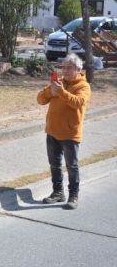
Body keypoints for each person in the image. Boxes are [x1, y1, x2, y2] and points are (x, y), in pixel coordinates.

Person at [37, 53, 91, 210]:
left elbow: (78, 102)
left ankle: (73, 195)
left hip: (70, 133)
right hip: (52, 131)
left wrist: (60, 92)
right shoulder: (58, 83)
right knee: (54, 164)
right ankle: (57, 192)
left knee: (71, 166)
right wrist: (50, 92)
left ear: (78, 69)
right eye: (64, 67)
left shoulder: (83, 86)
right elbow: (40, 100)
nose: (65, 71)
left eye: (70, 68)